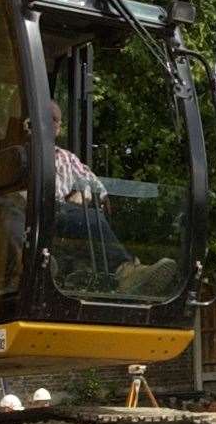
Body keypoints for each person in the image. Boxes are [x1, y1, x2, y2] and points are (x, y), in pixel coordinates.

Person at [47, 100, 176, 296]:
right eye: (51, 119)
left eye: (58, 121)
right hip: (34, 212)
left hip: (62, 214)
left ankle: (124, 274)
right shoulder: (22, 153)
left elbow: (96, 186)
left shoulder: (67, 158)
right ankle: (123, 273)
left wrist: (87, 194)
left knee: (91, 219)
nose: (56, 125)